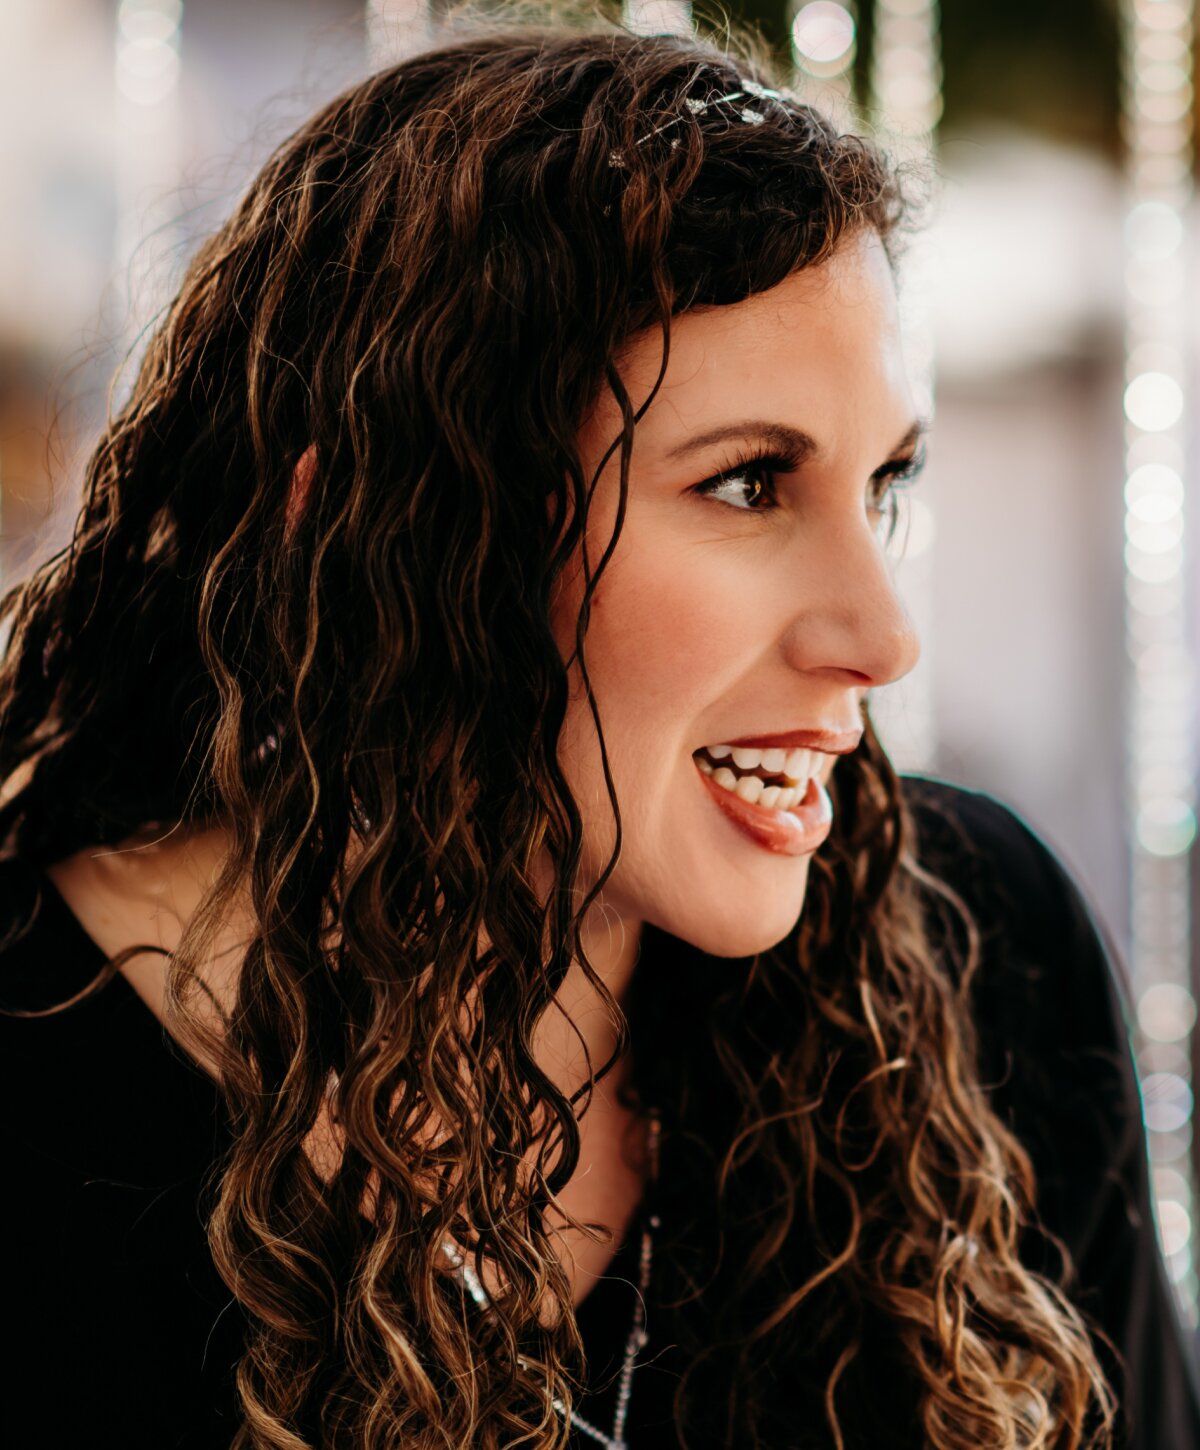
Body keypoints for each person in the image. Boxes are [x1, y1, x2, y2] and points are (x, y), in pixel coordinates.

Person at [0, 9, 1197, 1449]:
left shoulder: (981, 960)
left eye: (883, 485)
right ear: (383, 544)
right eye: (749, 484)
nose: (881, 636)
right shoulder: (37, 1083)